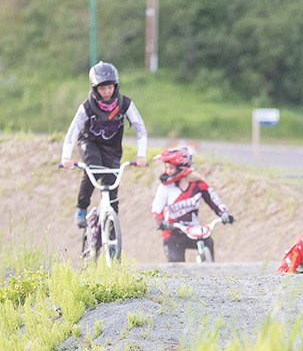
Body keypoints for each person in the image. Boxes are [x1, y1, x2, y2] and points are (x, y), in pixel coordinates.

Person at [61, 61, 148, 227]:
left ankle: (112, 238)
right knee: (93, 168)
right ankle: (82, 207)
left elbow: (140, 128)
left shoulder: (125, 104)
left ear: (115, 86)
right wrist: (66, 157)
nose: (107, 92)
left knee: (112, 191)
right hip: (90, 143)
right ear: (95, 89)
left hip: (113, 150)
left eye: (110, 87)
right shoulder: (87, 107)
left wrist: (141, 155)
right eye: (102, 88)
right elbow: (73, 131)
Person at [151, 147, 235, 262]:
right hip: (173, 232)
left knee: (208, 243)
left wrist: (224, 214)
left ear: (182, 168)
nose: (168, 172)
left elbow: (215, 201)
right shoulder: (165, 188)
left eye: (171, 168)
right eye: (166, 168)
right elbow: (157, 210)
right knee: (177, 269)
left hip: (194, 230)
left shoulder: (199, 184)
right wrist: (161, 223)